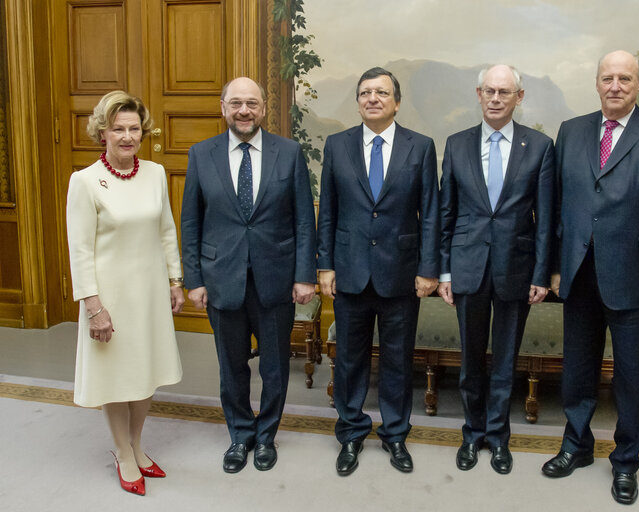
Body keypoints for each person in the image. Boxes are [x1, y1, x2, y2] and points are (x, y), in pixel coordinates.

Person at [542, 50, 639, 505]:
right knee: (579, 370)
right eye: (607, 78)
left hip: (638, 280)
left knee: (630, 378)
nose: (615, 86)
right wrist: (552, 266)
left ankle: (626, 462)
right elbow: (555, 208)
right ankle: (577, 446)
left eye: (624, 78)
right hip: (578, 276)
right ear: (596, 83)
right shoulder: (571, 132)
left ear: (638, 85)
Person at [180, 77, 316, 474]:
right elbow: (191, 221)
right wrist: (195, 279)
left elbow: (304, 221)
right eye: (236, 103)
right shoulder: (201, 154)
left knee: (275, 367)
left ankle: (266, 437)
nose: (244, 111)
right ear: (222, 108)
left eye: (251, 103)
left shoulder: (288, 153)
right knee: (231, 365)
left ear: (263, 108)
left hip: (276, 278)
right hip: (221, 278)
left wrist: (304, 275)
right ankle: (240, 435)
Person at [317, 67, 440, 476]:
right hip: (349, 271)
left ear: (396, 102)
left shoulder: (419, 146)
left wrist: (428, 269)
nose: (373, 98)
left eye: (381, 92)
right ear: (357, 101)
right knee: (350, 360)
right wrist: (325, 265)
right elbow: (329, 212)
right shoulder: (336, 145)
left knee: (397, 360)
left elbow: (431, 213)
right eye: (365, 92)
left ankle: (395, 435)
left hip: (402, 272)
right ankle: (351, 434)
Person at [66, 91, 185, 496]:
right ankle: (122, 451)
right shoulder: (84, 182)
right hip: (110, 299)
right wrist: (94, 307)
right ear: (102, 132)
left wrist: (175, 279)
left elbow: (166, 229)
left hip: (149, 294)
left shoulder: (154, 173)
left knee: (145, 371)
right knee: (116, 377)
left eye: (134, 128)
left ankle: (137, 443)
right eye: (119, 128)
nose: (128, 136)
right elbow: (79, 251)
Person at [438, 64, 554, 474]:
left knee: (506, 362)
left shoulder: (540, 147)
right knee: (471, 361)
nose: (496, 98)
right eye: (489, 90)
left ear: (518, 98)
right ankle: (472, 434)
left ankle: (498, 439)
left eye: (505, 92)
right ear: (478, 92)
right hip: (467, 269)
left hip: (516, 270)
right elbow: (445, 214)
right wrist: (445, 273)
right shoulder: (456, 144)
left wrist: (542, 274)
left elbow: (546, 217)